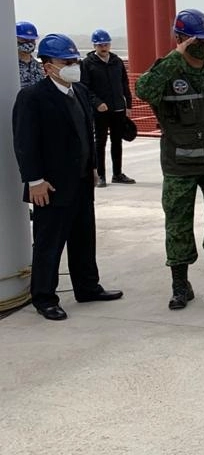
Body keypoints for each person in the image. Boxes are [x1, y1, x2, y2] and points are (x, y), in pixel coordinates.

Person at [135, 8, 204, 310]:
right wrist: (174, 58)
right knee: (178, 224)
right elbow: (142, 91)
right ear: (182, 39)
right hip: (179, 165)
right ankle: (180, 285)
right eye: (199, 39)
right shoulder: (167, 71)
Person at [12, 34, 123, 320]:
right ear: (48, 65)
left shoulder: (81, 92)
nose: (73, 66)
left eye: (75, 61)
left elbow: (88, 133)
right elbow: (25, 142)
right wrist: (34, 180)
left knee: (84, 238)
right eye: (66, 62)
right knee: (49, 244)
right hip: (50, 185)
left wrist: (94, 167)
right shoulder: (33, 97)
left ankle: (87, 287)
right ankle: (45, 297)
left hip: (82, 181)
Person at [81, 28, 135, 187]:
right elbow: (85, 87)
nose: (104, 48)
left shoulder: (117, 61)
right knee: (100, 142)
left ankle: (117, 174)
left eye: (106, 44)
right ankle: (101, 175)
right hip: (100, 111)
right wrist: (97, 103)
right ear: (95, 46)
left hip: (118, 108)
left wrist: (128, 104)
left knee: (117, 141)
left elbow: (124, 83)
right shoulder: (88, 63)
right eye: (100, 45)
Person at [16, 20, 44, 90]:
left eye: (32, 40)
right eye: (24, 40)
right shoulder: (7, 66)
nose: (29, 43)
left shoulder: (37, 66)